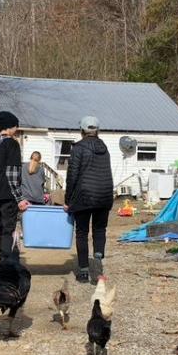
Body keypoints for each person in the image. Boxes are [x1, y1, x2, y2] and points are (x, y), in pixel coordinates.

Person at [65, 115, 114, 283]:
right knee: (100, 230)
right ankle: (98, 269)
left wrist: (68, 200)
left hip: (84, 196)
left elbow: (72, 176)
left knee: (82, 232)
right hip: (104, 195)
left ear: (82, 131)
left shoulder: (78, 148)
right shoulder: (104, 147)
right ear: (97, 130)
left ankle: (84, 271)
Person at [0, 111, 29, 261]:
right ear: (10, 127)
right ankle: (6, 264)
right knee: (7, 230)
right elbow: (12, 174)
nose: (16, 130)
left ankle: (1, 261)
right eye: (16, 127)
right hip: (7, 194)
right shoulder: (12, 144)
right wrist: (20, 198)